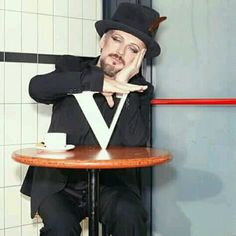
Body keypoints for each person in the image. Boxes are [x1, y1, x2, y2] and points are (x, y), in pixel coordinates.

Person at [21, 3, 166, 236]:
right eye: (117, 39)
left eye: (133, 49)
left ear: (140, 58)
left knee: (130, 216)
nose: (120, 51)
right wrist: (96, 82)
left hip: (112, 184)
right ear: (102, 41)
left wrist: (125, 87)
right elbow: (36, 88)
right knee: (61, 227)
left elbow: (135, 142)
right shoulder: (71, 67)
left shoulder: (140, 89)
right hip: (59, 183)